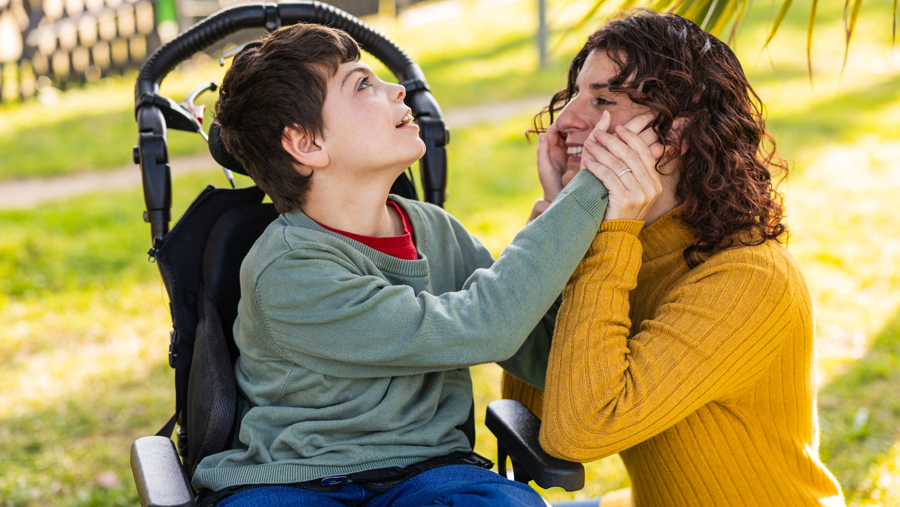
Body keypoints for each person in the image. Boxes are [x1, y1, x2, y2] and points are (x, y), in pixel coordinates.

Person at [189, 22, 661, 507]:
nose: (397, 90)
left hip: (431, 473)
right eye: (363, 85)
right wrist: (595, 185)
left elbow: (541, 354)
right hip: (295, 481)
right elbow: (485, 326)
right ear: (307, 144)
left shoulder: (435, 231)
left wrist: (560, 206)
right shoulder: (289, 272)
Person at [502, 10, 846, 507]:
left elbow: (577, 432)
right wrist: (556, 232)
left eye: (602, 100)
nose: (566, 121)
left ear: (676, 134)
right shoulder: (625, 247)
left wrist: (606, 236)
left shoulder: (748, 277)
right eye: (575, 95)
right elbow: (532, 403)